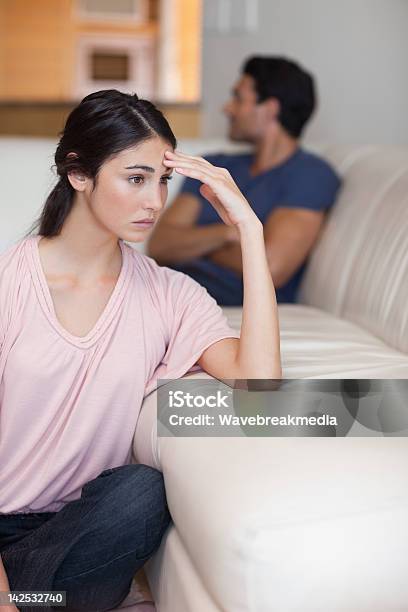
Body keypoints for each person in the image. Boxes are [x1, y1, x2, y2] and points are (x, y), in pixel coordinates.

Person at [0, 89, 281, 612]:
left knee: (140, 492)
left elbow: (260, 385)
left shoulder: (170, 294)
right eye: (136, 178)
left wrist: (250, 230)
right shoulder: (10, 282)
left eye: (163, 179)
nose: (155, 200)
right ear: (78, 173)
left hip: (72, 535)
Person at [147, 55, 341, 305]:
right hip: (165, 286)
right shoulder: (214, 165)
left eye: (238, 98)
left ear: (270, 108)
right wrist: (229, 233)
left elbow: (272, 265)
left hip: (222, 303)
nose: (227, 108)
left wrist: (195, 243)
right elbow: (161, 244)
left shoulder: (310, 175)